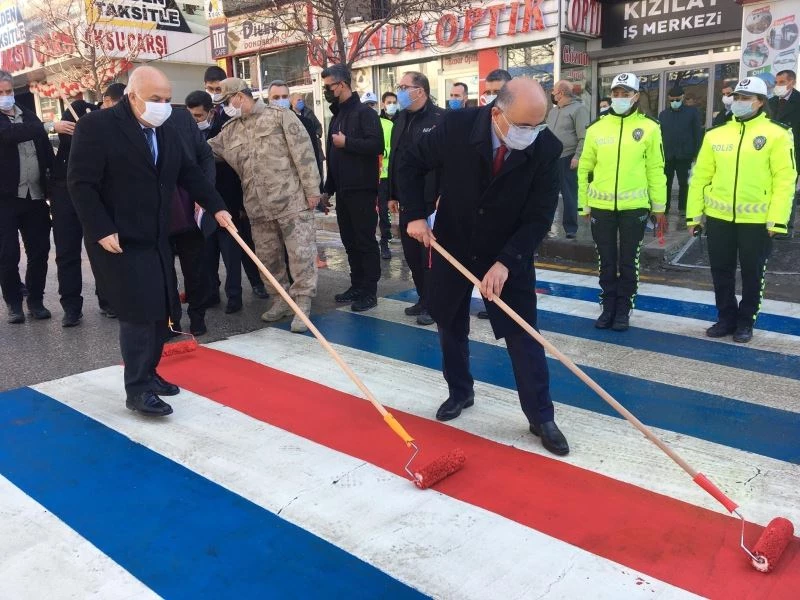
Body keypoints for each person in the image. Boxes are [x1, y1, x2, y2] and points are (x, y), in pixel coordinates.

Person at [399, 78, 569, 456]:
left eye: (538, 125)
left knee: (524, 333)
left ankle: (540, 415)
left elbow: (539, 218)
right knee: (449, 320)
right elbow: (410, 161)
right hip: (454, 239)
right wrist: (413, 215)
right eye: (523, 126)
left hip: (508, 249)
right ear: (497, 113)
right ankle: (460, 391)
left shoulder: (545, 148)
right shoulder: (457, 128)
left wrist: (506, 262)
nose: (531, 134)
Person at [68, 66, 233, 417]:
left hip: (157, 234)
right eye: (154, 100)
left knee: (162, 308)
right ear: (132, 96)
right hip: (118, 238)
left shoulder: (167, 127)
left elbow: (189, 172)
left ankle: (150, 372)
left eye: (167, 99)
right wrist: (100, 228)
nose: (162, 106)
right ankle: (137, 389)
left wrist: (217, 207)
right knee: (138, 312)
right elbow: (81, 184)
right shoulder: (97, 127)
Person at [208, 78, 321, 332]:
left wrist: (313, 191)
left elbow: (303, 153)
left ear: (239, 96)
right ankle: (280, 300)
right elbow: (207, 152)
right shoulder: (230, 130)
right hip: (257, 207)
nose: (225, 107)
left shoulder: (280, 117)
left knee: (300, 255)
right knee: (268, 259)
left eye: (227, 101)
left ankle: (302, 302)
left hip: (291, 201)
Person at [688, 77, 795, 343]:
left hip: (757, 221)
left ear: (760, 102)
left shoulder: (778, 133)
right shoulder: (715, 134)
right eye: (737, 97)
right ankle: (726, 318)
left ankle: (745, 322)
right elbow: (700, 177)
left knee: (752, 272)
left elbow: (785, 179)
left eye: (746, 98)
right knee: (720, 271)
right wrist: (694, 215)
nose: (739, 102)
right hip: (719, 218)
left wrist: (777, 220)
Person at [578, 73, 667, 332]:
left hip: (634, 208)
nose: (620, 98)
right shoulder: (597, 128)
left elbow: (656, 168)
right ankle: (607, 307)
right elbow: (584, 169)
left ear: (636, 96)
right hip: (601, 208)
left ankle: (624, 310)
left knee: (629, 260)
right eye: (616, 93)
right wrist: (584, 204)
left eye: (625, 93)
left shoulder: (650, 127)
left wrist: (659, 207)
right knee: (606, 260)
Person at [196, 73, 269, 309]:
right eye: (211, 90)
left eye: (221, 94)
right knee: (209, 253)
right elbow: (207, 152)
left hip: (237, 199)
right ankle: (213, 292)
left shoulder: (259, 120)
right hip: (210, 202)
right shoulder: (220, 127)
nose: (218, 99)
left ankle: (247, 290)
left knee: (238, 252)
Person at [322, 64, 384, 312]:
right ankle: (357, 285)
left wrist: (348, 142)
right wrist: (328, 189)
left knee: (364, 241)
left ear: (342, 85)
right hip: (344, 191)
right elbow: (333, 157)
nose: (326, 91)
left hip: (362, 189)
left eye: (329, 86)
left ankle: (370, 291)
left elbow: (376, 145)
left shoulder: (364, 113)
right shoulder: (337, 115)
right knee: (350, 241)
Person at [388, 71, 445, 327]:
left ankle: (435, 304)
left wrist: (445, 194)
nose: (399, 91)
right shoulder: (400, 119)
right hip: (407, 201)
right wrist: (391, 194)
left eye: (403, 86)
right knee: (411, 255)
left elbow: (448, 163)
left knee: (430, 257)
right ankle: (424, 298)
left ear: (420, 90)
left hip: (431, 201)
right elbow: (395, 160)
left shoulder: (440, 119)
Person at [50, 98, 114, 327]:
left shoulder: (102, 125)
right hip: (63, 191)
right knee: (67, 251)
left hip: (92, 192)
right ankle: (71, 307)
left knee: (100, 247)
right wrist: (51, 127)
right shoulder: (68, 133)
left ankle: (108, 300)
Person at [0, 69, 54, 324]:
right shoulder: (30, 124)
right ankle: (13, 303)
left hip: (34, 197)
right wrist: (46, 126)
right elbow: (10, 134)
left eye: (8, 91)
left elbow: (44, 151)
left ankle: (35, 300)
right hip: (5, 200)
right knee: (7, 254)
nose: (6, 97)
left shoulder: (28, 116)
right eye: (0, 93)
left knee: (40, 250)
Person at [166, 105, 216, 336]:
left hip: (188, 206)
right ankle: (170, 321)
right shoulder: (131, 123)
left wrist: (205, 194)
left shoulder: (180, 117)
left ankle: (197, 316)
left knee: (195, 268)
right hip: (158, 213)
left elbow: (204, 154)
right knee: (164, 272)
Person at [546, 80, 590, 239]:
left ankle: (571, 228)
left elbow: (584, 137)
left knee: (569, 195)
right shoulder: (553, 112)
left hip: (568, 157)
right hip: (551, 159)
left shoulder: (579, 109)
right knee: (547, 194)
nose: (552, 93)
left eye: (554, 91)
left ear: (562, 93)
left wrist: (578, 156)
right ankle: (544, 225)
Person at [658, 86, 702, 215]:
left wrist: (696, 153)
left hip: (685, 154)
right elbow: (659, 135)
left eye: (677, 99)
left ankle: (683, 208)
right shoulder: (663, 114)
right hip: (668, 154)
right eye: (671, 100)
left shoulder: (691, 112)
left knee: (684, 183)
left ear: (682, 97)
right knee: (666, 182)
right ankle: (664, 207)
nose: (674, 102)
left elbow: (697, 133)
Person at [768, 69, 800, 239]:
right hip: (770, 153)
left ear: (792, 83)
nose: (778, 86)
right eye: (776, 82)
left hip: (792, 154)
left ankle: (786, 225)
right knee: (770, 188)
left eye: (781, 82)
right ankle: (770, 221)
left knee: (787, 190)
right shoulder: (771, 102)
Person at [372, 92, 394, 260]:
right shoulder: (364, 123)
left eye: (372, 105)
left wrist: (376, 150)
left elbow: (391, 148)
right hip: (368, 176)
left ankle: (385, 241)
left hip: (385, 175)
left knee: (384, 210)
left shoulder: (388, 125)